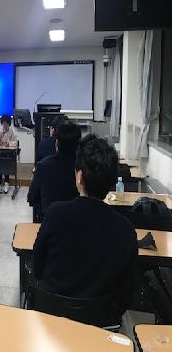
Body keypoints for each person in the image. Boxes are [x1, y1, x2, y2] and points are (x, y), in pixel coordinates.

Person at [32, 135, 138, 315]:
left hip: (51, 317)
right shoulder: (126, 229)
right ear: (112, 182)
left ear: (79, 176)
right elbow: (126, 296)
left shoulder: (55, 214)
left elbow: (37, 268)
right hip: (101, 323)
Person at [28, 121, 81, 213]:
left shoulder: (43, 165)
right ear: (78, 145)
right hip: (78, 218)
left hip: (50, 218)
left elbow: (32, 198)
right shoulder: (83, 166)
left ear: (56, 143)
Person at [0, 114, 17, 194]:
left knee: (6, 164)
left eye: (6, 124)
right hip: (0, 152)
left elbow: (15, 142)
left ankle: (7, 182)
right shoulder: (0, 131)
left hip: (9, 153)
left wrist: (9, 144)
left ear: (9, 124)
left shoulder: (12, 132)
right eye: (3, 124)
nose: (4, 126)